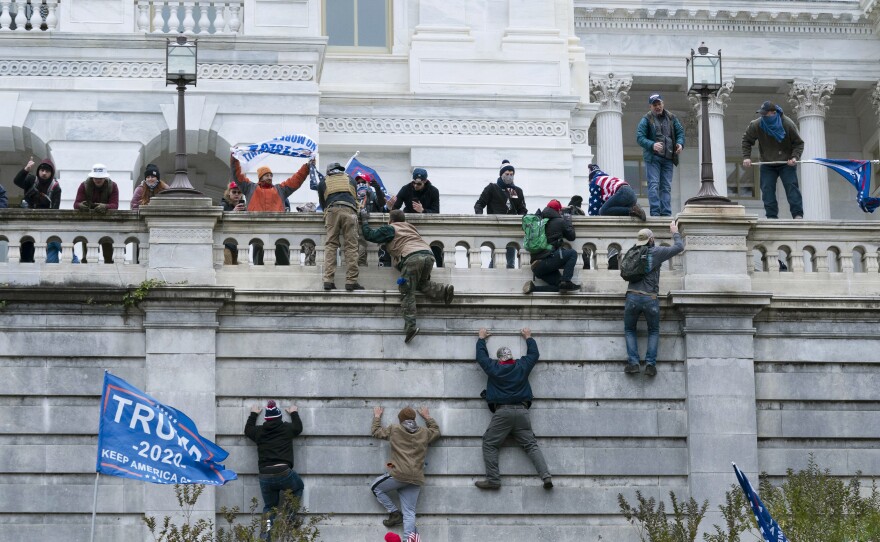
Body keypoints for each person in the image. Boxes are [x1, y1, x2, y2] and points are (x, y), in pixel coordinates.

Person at [474, 327, 552, 490]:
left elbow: (481, 358)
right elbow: (534, 355)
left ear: (500, 359)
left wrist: (481, 339)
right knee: (531, 445)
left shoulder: (494, 368)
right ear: (511, 357)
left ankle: (494, 480)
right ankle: (546, 476)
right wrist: (528, 337)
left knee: (489, 443)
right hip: (522, 412)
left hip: (503, 412)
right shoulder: (521, 366)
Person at [361, 209, 454, 343]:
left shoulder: (391, 228)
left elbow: (370, 235)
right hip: (428, 255)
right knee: (421, 284)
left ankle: (410, 327)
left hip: (412, 258)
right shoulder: (411, 228)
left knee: (407, 291)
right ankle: (444, 291)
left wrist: (364, 220)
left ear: (391, 220)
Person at [370, 405, 440, 541]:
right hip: (416, 478)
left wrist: (377, 417)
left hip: (399, 475)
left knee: (375, 487)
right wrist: (427, 417)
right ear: (414, 419)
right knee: (409, 513)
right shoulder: (424, 432)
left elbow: (376, 432)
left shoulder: (394, 429)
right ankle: (408, 540)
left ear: (400, 419)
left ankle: (394, 513)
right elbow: (436, 431)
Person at [623, 222, 684, 376]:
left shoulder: (633, 252)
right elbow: (679, 247)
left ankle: (633, 363)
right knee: (653, 330)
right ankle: (650, 365)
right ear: (651, 239)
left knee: (630, 330)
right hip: (650, 297)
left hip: (632, 296)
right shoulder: (656, 252)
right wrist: (675, 232)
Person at [230, 154, 313, 265]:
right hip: (257, 233)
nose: (269, 177)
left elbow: (296, 179)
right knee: (259, 265)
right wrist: (234, 158)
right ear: (260, 177)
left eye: (270, 175)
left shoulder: (280, 189)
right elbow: (237, 176)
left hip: (279, 232)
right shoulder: (250, 188)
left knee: (283, 264)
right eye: (266, 175)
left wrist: (307, 167)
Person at [245, 400, 304, 539]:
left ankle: (265, 537)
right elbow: (298, 427)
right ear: (279, 417)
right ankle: (289, 518)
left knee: (269, 507)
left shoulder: (259, 432)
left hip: (265, 475)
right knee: (298, 487)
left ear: (266, 419)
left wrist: (253, 414)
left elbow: (248, 430)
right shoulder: (286, 428)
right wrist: (294, 412)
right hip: (284, 472)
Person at [742, 100, 805, 219]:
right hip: (768, 163)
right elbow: (746, 140)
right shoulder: (757, 124)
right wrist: (746, 157)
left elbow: (798, 143)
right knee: (767, 189)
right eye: (762, 114)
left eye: (765, 114)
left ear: (773, 113)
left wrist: (794, 157)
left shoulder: (787, 124)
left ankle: (797, 214)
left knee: (791, 186)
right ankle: (771, 216)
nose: (763, 116)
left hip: (786, 163)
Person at [636, 94, 684, 217]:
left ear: (663, 104)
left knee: (666, 187)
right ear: (650, 106)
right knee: (654, 185)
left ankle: (667, 214)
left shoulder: (672, 117)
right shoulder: (646, 119)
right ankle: (655, 213)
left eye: (659, 104)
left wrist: (680, 143)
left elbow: (680, 133)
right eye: (654, 105)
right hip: (653, 158)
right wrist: (652, 145)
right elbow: (640, 138)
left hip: (668, 158)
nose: (657, 107)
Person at [318, 162, 363, 291]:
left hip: (332, 210)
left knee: (331, 245)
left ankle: (328, 280)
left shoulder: (324, 181)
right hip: (349, 211)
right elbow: (355, 198)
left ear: (329, 171)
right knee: (351, 247)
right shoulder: (350, 179)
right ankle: (351, 281)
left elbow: (323, 203)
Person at [475, 160, 527, 268]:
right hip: (496, 227)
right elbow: (479, 204)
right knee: (497, 257)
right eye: (507, 174)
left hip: (512, 228)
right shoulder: (492, 188)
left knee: (510, 261)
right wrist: (479, 218)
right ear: (501, 174)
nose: (509, 177)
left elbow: (522, 209)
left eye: (511, 174)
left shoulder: (516, 191)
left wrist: (521, 219)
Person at [522, 200, 580, 294]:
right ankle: (566, 281)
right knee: (572, 253)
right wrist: (568, 221)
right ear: (558, 210)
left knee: (559, 286)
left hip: (536, 266)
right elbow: (571, 236)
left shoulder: (538, 221)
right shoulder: (560, 221)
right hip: (547, 261)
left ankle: (533, 288)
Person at [388, 168, 442, 266]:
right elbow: (396, 209)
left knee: (435, 247)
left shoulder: (433, 191)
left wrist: (423, 211)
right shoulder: (406, 188)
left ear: (425, 181)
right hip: (409, 224)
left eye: (419, 184)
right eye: (414, 183)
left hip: (427, 225)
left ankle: (440, 267)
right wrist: (390, 206)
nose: (415, 186)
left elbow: (436, 212)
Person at [13, 156, 62, 262]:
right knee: (26, 247)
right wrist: (26, 169)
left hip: (44, 222)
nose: (44, 173)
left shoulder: (55, 188)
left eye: (47, 171)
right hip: (27, 220)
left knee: (42, 251)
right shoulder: (31, 180)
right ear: (38, 171)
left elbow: (55, 209)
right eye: (42, 170)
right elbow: (17, 181)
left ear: (51, 173)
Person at [74, 164, 120, 264]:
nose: (98, 180)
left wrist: (105, 206)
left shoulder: (113, 186)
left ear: (105, 177)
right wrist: (81, 205)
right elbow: (76, 204)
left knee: (108, 255)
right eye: (95, 178)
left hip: (107, 224)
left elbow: (115, 205)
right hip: (88, 224)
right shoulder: (84, 185)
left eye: (100, 178)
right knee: (87, 255)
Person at [355, 172, 388, 266]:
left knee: (367, 260)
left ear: (368, 184)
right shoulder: (353, 195)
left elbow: (381, 203)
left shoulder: (372, 194)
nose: (360, 184)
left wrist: (377, 189)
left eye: (363, 182)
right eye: (358, 183)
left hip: (370, 231)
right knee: (356, 259)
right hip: (356, 231)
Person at [221, 181, 247, 265]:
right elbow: (220, 219)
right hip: (226, 244)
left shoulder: (243, 207)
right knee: (228, 268)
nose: (236, 194)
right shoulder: (223, 205)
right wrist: (233, 212)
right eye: (234, 192)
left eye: (239, 192)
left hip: (238, 245)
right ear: (229, 193)